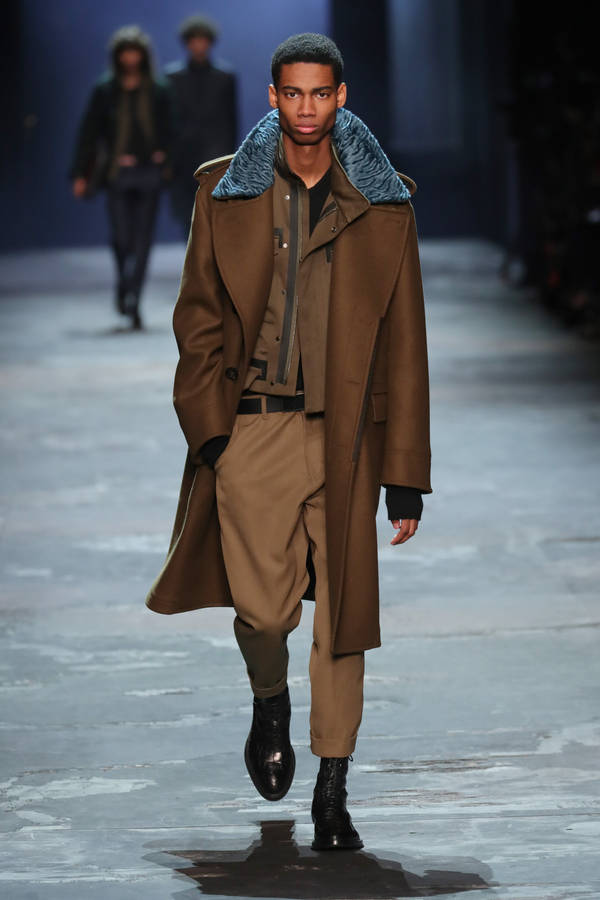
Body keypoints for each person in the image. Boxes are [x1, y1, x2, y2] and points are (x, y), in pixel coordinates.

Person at [146, 33, 431, 851]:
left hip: (349, 437)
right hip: (254, 428)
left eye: (320, 93)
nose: (307, 107)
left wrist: (405, 473)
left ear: (341, 96)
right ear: (273, 97)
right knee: (263, 612)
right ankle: (269, 695)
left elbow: (405, 340)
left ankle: (333, 790)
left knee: (344, 617)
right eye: (293, 93)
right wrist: (211, 433)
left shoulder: (384, 201)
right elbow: (198, 317)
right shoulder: (223, 192)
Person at [70, 26, 171, 330]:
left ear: (143, 55)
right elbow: (89, 132)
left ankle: (134, 300)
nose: (130, 58)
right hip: (117, 173)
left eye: (134, 52)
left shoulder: (158, 89)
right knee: (121, 237)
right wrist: (79, 173)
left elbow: (173, 127)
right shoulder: (105, 90)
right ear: (117, 56)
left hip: (149, 171)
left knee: (143, 239)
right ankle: (123, 284)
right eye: (125, 52)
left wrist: (165, 155)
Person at [166, 14, 237, 234]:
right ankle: (193, 252)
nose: (198, 45)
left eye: (203, 40)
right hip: (182, 156)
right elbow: (167, 122)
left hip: (215, 154)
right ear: (187, 43)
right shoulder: (171, 78)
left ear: (210, 42)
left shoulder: (225, 77)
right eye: (194, 40)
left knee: (214, 211)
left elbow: (231, 120)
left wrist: (231, 158)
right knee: (186, 212)